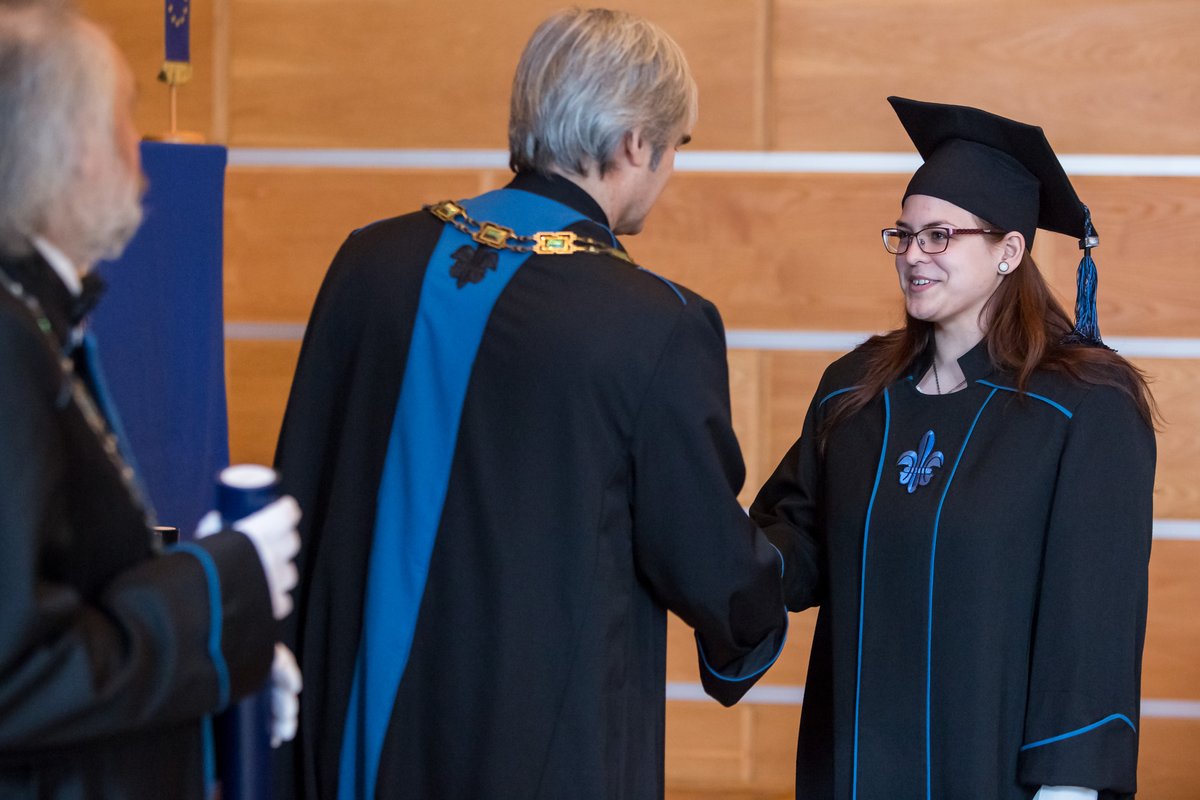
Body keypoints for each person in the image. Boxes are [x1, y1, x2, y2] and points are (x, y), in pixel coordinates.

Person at [273, 7, 787, 799]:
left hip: (345, 729)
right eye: (677, 144)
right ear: (636, 143)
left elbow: (296, 493)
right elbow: (709, 563)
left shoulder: (368, 262)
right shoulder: (656, 324)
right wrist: (767, 599)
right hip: (534, 748)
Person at [751, 96, 1157, 800]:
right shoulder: (855, 390)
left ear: (1009, 251)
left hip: (991, 769)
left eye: (940, 236)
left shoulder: (1084, 408)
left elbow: (1092, 625)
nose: (914, 255)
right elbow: (795, 541)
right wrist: (697, 538)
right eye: (904, 235)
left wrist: (1068, 789)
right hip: (853, 763)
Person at [0, 2, 301, 796]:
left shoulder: (31, 317)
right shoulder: (8, 341)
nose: (140, 153)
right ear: (73, 148)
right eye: (122, 123)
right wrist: (222, 593)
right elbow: (20, 671)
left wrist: (224, 653)